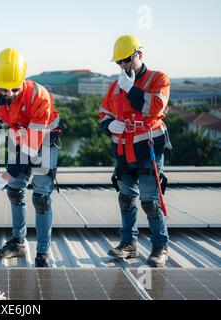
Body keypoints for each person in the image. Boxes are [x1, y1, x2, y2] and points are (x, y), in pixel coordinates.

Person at [0, 48, 61, 268]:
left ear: (23, 79)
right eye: (3, 89)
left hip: (43, 139)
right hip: (18, 135)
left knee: (41, 197)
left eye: (14, 89)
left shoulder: (39, 96)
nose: (8, 93)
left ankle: (43, 251)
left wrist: (2, 178)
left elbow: (29, 150)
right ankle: (18, 242)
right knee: (15, 191)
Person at [98, 35, 171, 267]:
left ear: (139, 55)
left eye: (125, 60)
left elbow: (154, 108)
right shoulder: (115, 85)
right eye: (118, 62)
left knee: (150, 201)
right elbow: (103, 112)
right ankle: (129, 244)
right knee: (126, 198)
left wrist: (131, 89)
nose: (122, 66)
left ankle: (160, 246)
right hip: (123, 150)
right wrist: (109, 124)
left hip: (148, 147)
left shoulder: (158, 79)